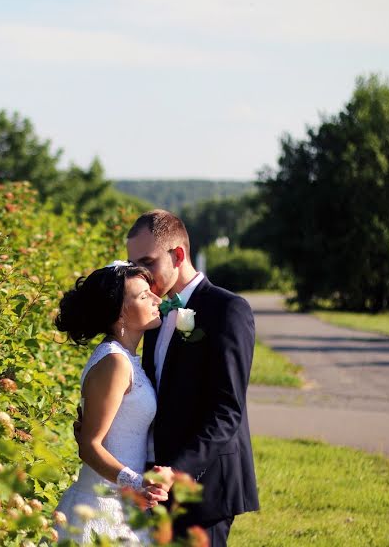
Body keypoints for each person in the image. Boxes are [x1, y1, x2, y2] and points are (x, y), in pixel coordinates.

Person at [121, 209, 259, 546]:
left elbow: (227, 411)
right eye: (134, 266)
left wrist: (177, 472)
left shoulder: (228, 309)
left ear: (178, 255)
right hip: (157, 481)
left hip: (205, 484)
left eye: (148, 262)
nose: (141, 275)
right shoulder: (155, 313)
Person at [53, 261, 173, 545]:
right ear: (121, 312)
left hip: (123, 505)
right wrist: (137, 484)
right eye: (144, 296)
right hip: (101, 507)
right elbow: (90, 446)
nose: (157, 299)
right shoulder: (114, 362)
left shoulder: (126, 358)